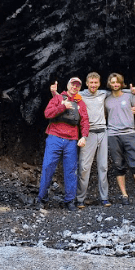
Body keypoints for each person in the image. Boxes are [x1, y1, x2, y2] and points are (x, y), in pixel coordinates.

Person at [51, 73, 135, 209]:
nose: (93, 85)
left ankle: (104, 198)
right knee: (84, 167)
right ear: (86, 83)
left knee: (103, 167)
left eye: (96, 83)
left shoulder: (103, 93)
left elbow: (117, 89)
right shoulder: (81, 95)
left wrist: (132, 91)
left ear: (99, 83)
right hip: (89, 133)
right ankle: (80, 199)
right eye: (91, 83)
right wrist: (54, 92)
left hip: (103, 132)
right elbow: (65, 97)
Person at [36, 77, 89, 211]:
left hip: (71, 140)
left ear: (79, 88)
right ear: (68, 85)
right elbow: (47, 113)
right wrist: (62, 107)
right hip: (55, 138)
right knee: (48, 167)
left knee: (71, 170)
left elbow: (84, 121)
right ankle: (41, 198)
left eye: (78, 85)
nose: (75, 87)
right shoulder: (58, 98)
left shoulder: (80, 103)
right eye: (73, 84)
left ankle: (69, 201)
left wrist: (84, 136)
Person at [105, 73, 135, 205]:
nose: (115, 84)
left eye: (117, 82)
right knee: (118, 165)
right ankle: (124, 195)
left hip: (129, 133)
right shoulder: (106, 99)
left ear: (121, 83)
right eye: (112, 82)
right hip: (112, 135)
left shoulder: (130, 96)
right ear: (109, 84)